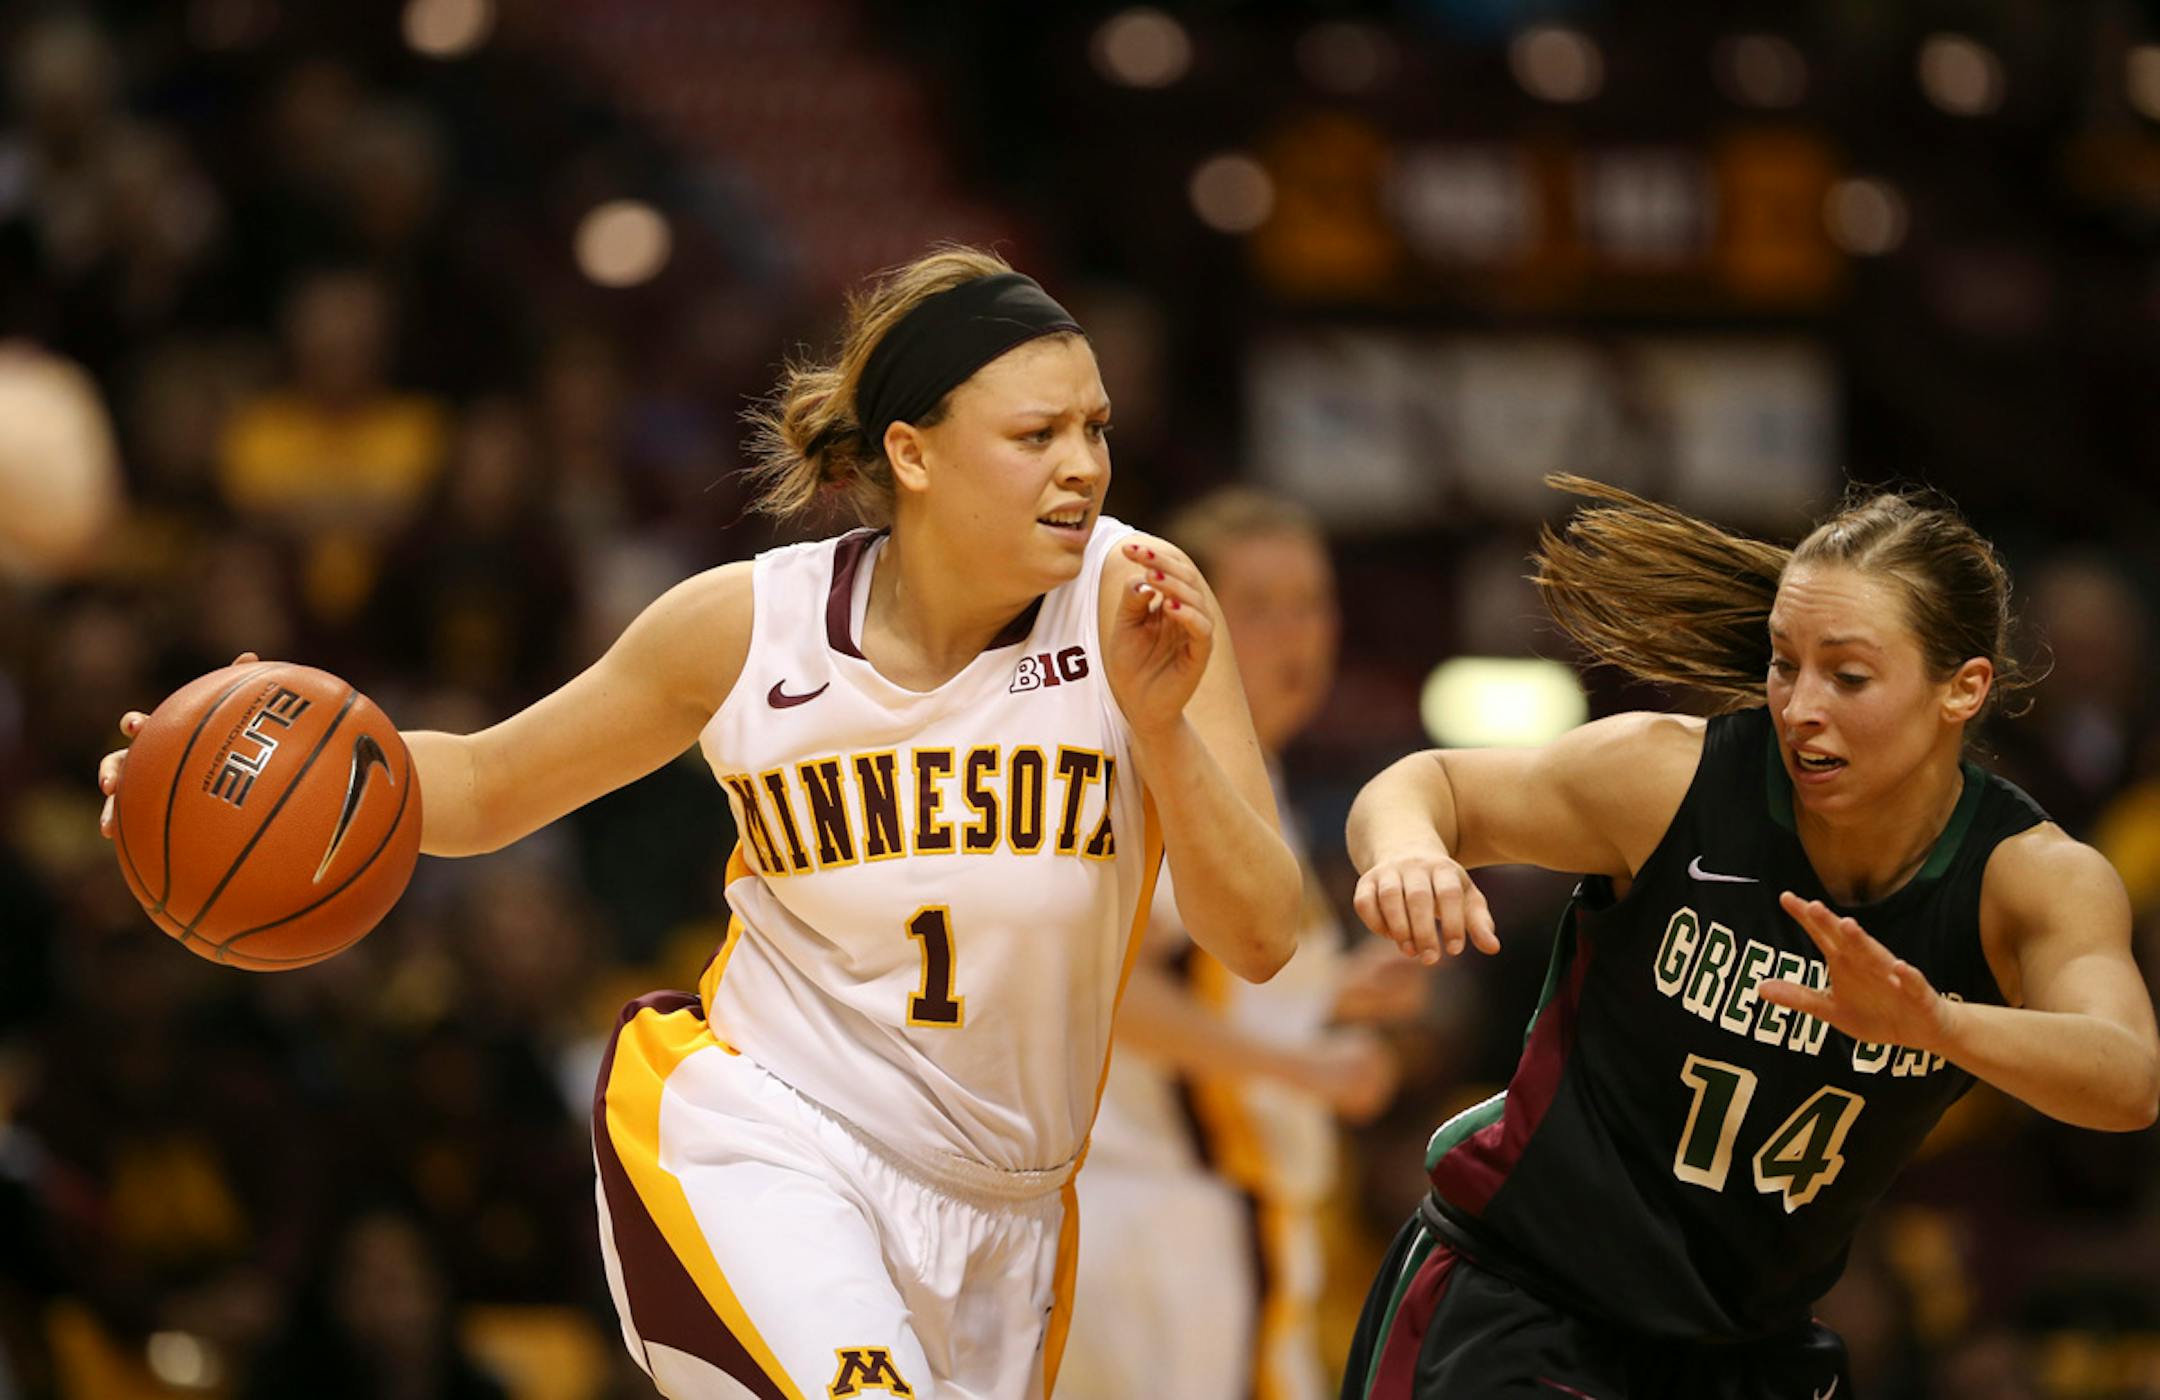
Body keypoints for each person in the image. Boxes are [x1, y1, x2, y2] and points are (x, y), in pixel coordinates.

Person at [98, 246, 1303, 1399]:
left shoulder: (1138, 602)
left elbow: (1257, 936)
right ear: (913, 452)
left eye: (1094, 427)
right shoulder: (751, 627)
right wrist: (236, 778)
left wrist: (1163, 729)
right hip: (773, 1144)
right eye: (1037, 434)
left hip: (1011, 1212)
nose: (1083, 465)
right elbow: (479, 785)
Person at [1338, 475, 2160, 1399]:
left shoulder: (2029, 878)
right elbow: (1427, 786)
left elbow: (2127, 1078)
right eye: (1783, 663)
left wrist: (1934, 1022)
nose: (1801, 704)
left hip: (1740, 1351)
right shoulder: (1671, 781)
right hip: (1524, 1295)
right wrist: (1408, 856)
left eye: (1847, 676)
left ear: (1962, 690)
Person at [1060, 487, 1423, 1400]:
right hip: (1177, 1220)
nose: (1295, 633)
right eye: (1257, 607)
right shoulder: (1184, 770)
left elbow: (1194, 976)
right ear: (1186, 616)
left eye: (1311, 602)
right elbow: (1102, 986)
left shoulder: (1245, 769)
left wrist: (1330, 992)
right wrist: (1300, 1069)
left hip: (1143, 1218)